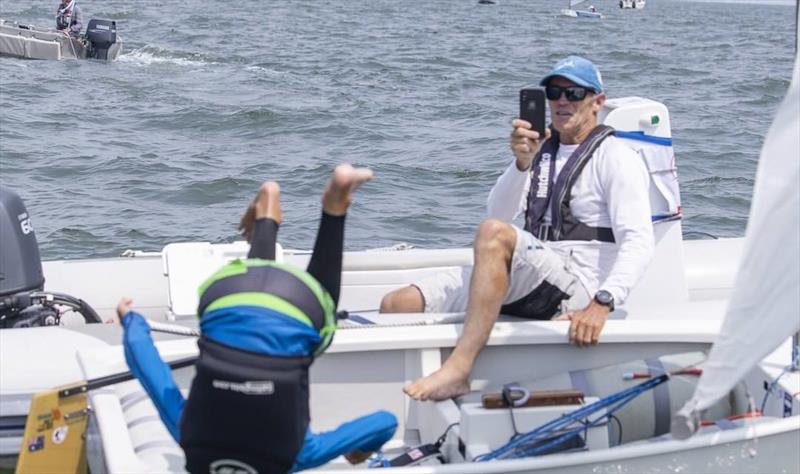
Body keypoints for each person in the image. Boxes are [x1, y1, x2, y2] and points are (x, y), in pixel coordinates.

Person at [381, 56, 654, 401]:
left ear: (597, 101)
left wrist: (602, 303)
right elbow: (496, 213)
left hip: (577, 284)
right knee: (398, 303)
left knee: (494, 235)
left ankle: (459, 370)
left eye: (574, 92)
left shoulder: (616, 157)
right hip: (532, 272)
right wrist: (522, 163)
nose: (562, 100)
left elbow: (639, 240)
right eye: (554, 92)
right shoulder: (541, 151)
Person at [118, 164, 398, 473]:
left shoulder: (298, 457)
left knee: (320, 314)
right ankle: (266, 214)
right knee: (250, 305)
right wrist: (132, 320)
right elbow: (144, 362)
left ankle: (335, 208)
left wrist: (359, 451)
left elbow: (386, 423)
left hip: (294, 303)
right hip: (226, 294)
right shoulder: (187, 435)